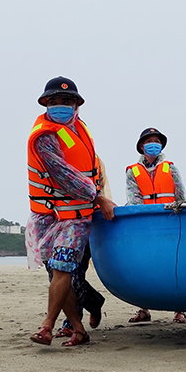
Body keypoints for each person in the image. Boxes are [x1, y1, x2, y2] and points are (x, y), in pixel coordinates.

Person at [25, 76, 115, 347]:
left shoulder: (78, 129)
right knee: (57, 275)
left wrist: (99, 197)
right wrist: (99, 198)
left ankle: (47, 326)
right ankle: (79, 328)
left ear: (76, 105)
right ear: (46, 104)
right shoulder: (44, 136)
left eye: (67, 101)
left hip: (76, 217)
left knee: (63, 270)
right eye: (54, 102)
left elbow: (91, 167)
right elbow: (63, 174)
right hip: (48, 217)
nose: (61, 106)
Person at [125, 128, 186, 324]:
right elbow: (134, 199)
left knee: (174, 266)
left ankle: (180, 309)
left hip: (170, 223)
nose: (154, 144)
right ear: (142, 146)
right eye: (149, 140)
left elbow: (181, 196)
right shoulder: (132, 171)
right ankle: (143, 308)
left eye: (157, 141)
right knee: (144, 267)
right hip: (146, 225)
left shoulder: (171, 168)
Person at [54, 156, 111, 339]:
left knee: (75, 274)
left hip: (85, 222)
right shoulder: (53, 157)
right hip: (57, 222)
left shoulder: (92, 160)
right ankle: (94, 302)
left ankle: (71, 323)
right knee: (57, 275)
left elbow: (101, 189)